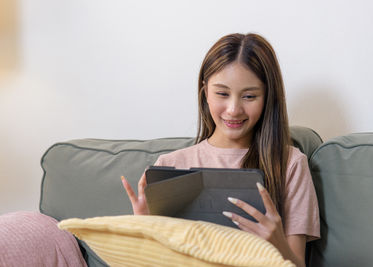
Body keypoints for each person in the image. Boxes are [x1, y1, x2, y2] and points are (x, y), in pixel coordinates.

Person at [121, 33, 320, 267]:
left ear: (267, 97)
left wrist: (277, 244)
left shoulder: (289, 164)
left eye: (249, 96)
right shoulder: (168, 165)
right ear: (205, 92)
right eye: (222, 94)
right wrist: (144, 229)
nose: (234, 109)